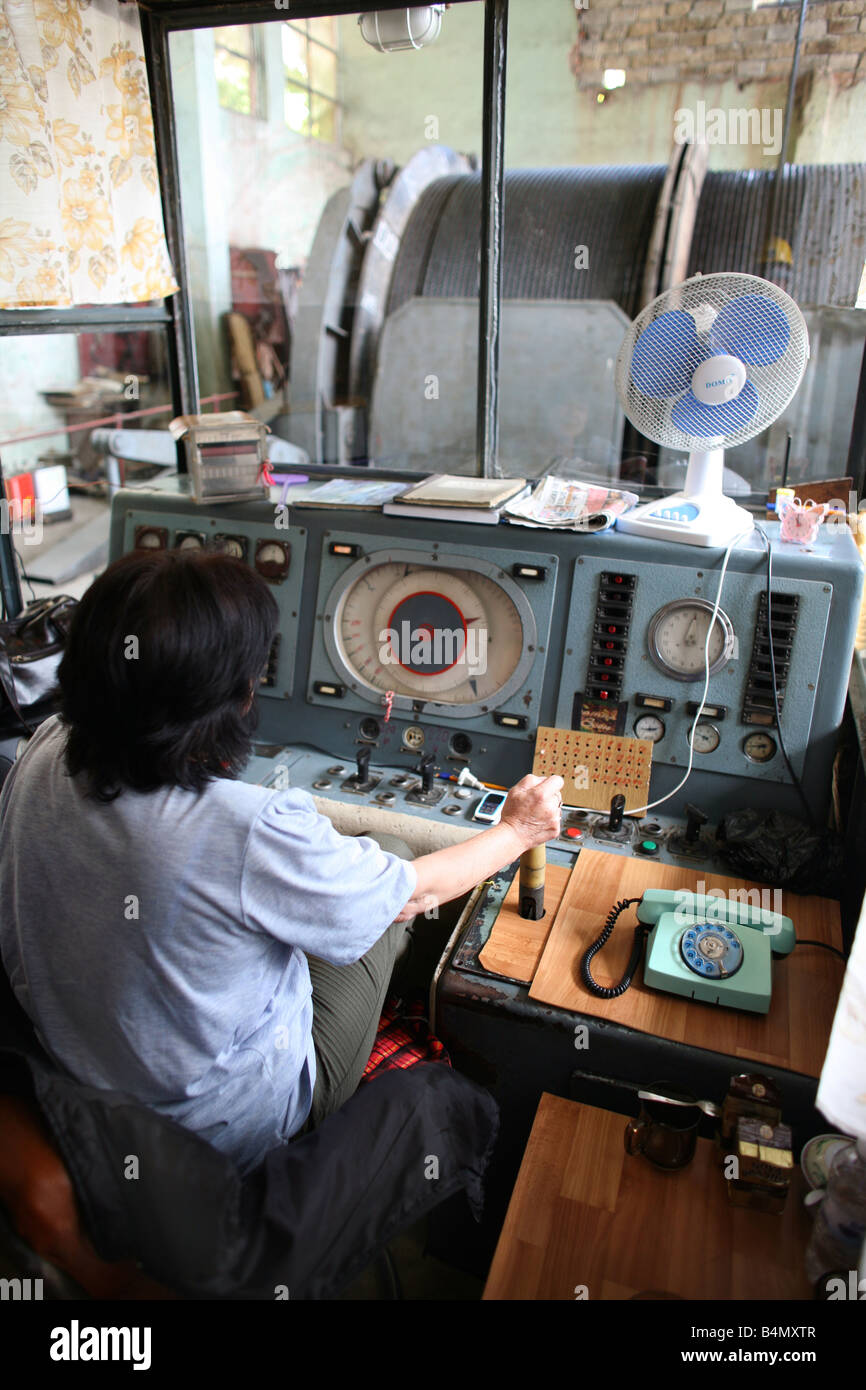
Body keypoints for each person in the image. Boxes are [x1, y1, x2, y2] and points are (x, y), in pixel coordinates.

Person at [0, 550, 563, 1174]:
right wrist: (517, 831)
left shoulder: (42, 745)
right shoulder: (247, 829)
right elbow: (415, 893)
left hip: (77, 1093)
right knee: (395, 853)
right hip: (222, 1130)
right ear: (232, 694)